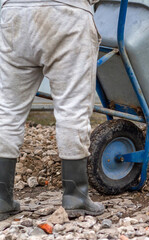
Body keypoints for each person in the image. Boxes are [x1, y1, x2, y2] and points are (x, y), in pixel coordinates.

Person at [0, 0, 105, 220]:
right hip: (68, 13)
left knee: (7, 110)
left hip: (16, 13)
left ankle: (1, 199)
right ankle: (75, 198)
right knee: (72, 107)